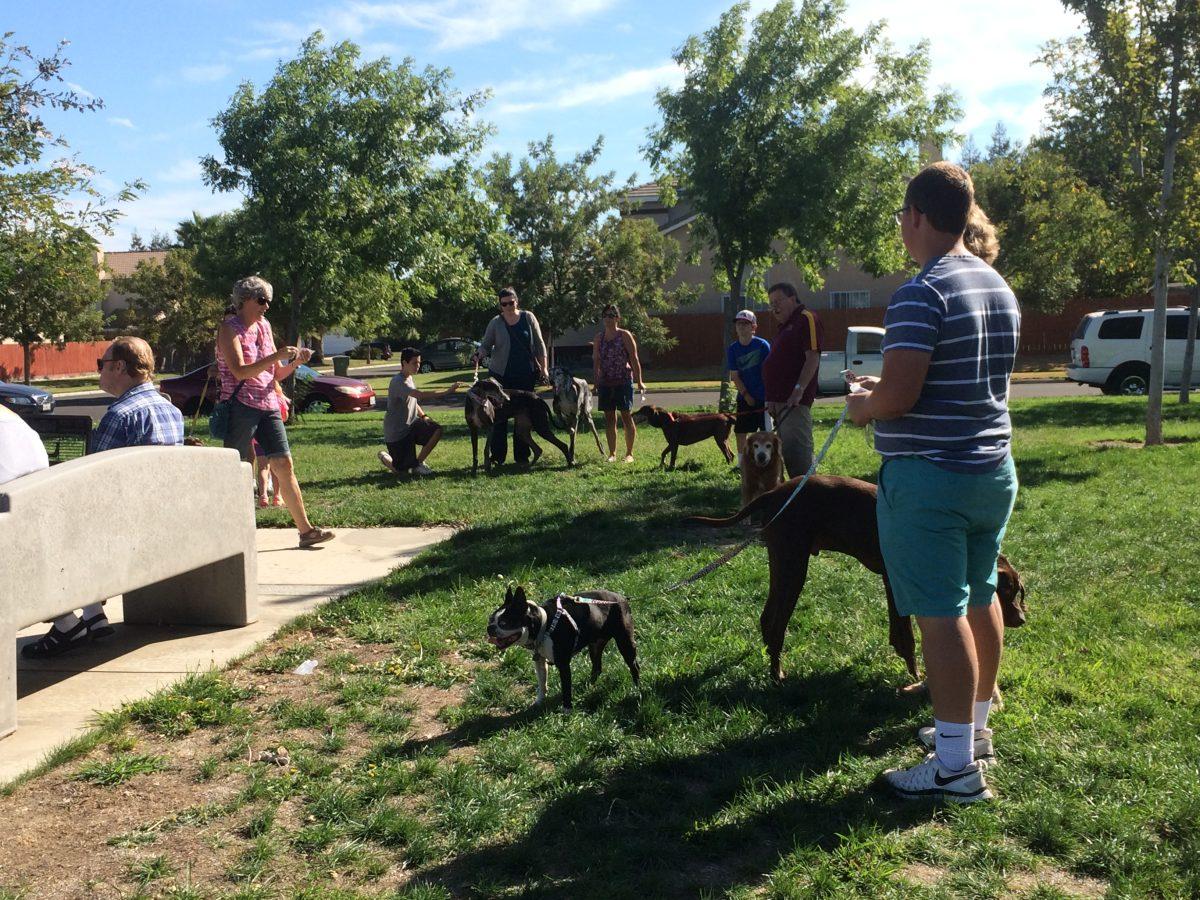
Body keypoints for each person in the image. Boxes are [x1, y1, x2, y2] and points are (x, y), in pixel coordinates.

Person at [846, 162, 1020, 804]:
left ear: (916, 216)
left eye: (900, 215)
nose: (900, 225)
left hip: (930, 482)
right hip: (990, 473)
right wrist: (886, 395)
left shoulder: (922, 291)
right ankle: (971, 734)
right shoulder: (995, 284)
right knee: (980, 596)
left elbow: (899, 395)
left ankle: (954, 771)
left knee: (939, 616)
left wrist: (864, 403)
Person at [22, 336, 184, 658]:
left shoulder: (120, 415)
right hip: (163, 519)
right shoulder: (171, 410)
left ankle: (67, 624)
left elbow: (90, 485)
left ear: (120, 367)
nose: (99, 371)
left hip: (125, 529)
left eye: (102, 364)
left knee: (34, 526)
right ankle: (93, 615)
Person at [216, 276, 333, 548]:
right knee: (237, 468)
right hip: (241, 405)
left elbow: (275, 374)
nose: (266, 307)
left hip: (268, 404)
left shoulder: (264, 326)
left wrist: (293, 362)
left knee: (284, 464)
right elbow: (240, 371)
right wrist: (275, 356)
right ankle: (228, 537)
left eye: (268, 301)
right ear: (244, 300)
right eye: (261, 300)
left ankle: (306, 531)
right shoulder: (229, 329)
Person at [479, 287, 547, 465]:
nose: (508, 306)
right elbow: (486, 344)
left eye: (511, 302)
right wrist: (479, 354)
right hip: (500, 376)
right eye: (504, 304)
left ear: (517, 301)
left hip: (525, 374)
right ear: (500, 305)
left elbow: (539, 344)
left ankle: (521, 456)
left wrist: (544, 368)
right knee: (498, 417)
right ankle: (498, 456)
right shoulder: (495, 322)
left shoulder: (528, 317)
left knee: (522, 417)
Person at [761, 282, 822, 478]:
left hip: (794, 402)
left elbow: (812, 356)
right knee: (786, 454)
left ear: (793, 298)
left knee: (798, 456)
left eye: (778, 301)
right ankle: (794, 500)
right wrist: (770, 398)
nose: (774, 307)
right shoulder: (784, 328)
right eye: (771, 304)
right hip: (778, 402)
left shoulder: (806, 319)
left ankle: (808, 499)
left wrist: (799, 389)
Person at [379, 348, 462, 476]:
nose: (418, 366)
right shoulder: (398, 382)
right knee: (402, 472)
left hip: (411, 426)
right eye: (414, 363)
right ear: (404, 363)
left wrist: (423, 416)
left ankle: (418, 464)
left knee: (436, 430)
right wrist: (447, 391)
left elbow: (413, 401)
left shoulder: (409, 378)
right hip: (397, 434)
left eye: (419, 363)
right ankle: (384, 457)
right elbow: (419, 395)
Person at [592, 303, 646, 463]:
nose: (608, 319)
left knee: (626, 415)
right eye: (605, 315)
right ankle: (612, 453)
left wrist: (640, 381)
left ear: (617, 318)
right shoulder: (598, 338)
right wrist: (595, 383)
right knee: (610, 418)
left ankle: (629, 453)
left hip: (623, 380)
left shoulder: (624, 335)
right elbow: (596, 362)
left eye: (611, 315)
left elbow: (634, 359)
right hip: (606, 382)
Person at [726, 308, 771, 468]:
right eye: (739, 324)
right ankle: (742, 463)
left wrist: (766, 396)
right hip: (745, 397)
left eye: (746, 324)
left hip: (764, 397)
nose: (742, 327)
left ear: (753, 327)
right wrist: (746, 395)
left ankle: (768, 461)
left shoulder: (763, 345)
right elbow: (735, 376)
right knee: (740, 431)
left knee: (766, 433)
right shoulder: (733, 349)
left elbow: (770, 372)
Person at [254, 382, 290, 507]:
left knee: (263, 467)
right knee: (276, 468)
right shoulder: (278, 398)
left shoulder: (257, 398)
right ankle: (277, 496)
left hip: (258, 438)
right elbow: (285, 416)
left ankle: (263, 495)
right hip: (273, 437)